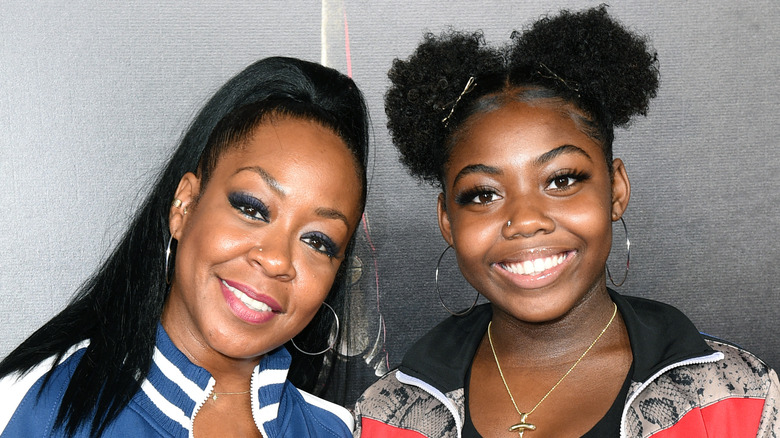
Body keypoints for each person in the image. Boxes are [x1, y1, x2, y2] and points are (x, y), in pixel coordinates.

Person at [354, 6, 778, 437]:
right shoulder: (388, 415)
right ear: (447, 220)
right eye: (484, 194)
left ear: (615, 189)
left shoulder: (735, 398)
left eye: (560, 180)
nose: (525, 221)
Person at [0, 56, 369, 437]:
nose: (277, 258)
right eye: (252, 208)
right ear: (185, 205)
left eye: (318, 241)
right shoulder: (34, 407)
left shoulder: (332, 431)